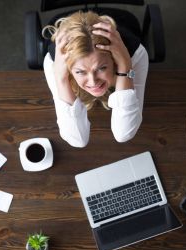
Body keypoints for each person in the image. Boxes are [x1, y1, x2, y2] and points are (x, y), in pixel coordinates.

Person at [42, 11, 149, 148]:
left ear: (113, 59)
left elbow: (124, 133)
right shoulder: (54, 63)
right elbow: (77, 140)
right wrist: (61, 79)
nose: (93, 82)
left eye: (101, 68)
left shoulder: (136, 54)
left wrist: (125, 67)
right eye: (80, 71)